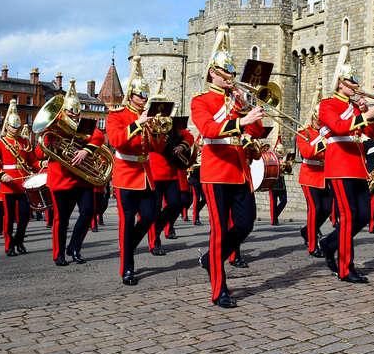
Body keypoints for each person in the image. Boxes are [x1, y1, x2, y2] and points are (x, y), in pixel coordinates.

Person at [191, 25, 264, 308]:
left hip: (239, 171)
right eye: (225, 74)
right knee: (220, 230)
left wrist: (247, 108)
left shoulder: (236, 101)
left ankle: (211, 259)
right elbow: (208, 128)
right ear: (213, 73)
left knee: (245, 224)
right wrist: (240, 122)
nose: (230, 78)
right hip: (216, 171)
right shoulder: (201, 100)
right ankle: (219, 290)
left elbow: (257, 132)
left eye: (232, 74)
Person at [318, 41, 374, 283]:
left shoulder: (355, 106)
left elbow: (373, 133)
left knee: (364, 215)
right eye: (352, 82)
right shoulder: (327, 104)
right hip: (340, 167)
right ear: (340, 83)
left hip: (358, 167)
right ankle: (346, 268)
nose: (357, 86)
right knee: (348, 216)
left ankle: (329, 243)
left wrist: (366, 114)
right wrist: (362, 115)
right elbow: (338, 127)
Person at [107, 56, 164, 286]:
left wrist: (158, 130)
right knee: (127, 221)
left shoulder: (148, 117)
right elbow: (117, 140)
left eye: (145, 96)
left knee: (149, 216)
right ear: (131, 95)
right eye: (140, 96)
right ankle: (127, 269)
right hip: (125, 175)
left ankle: (127, 246)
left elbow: (156, 148)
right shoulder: (116, 115)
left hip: (145, 175)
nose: (143, 100)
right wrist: (138, 124)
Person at [44, 79, 108, 266]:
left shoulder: (83, 125)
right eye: (70, 111)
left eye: (76, 112)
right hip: (61, 178)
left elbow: (98, 136)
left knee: (88, 212)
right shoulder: (53, 127)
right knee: (61, 219)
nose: (73, 115)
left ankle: (74, 247)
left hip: (81, 178)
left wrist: (86, 151)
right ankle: (59, 254)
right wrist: (52, 144)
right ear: (64, 111)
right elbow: (39, 150)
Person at [0, 99, 44, 256]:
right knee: (9, 217)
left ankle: (19, 240)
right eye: (13, 126)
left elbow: (32, 162)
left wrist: (42, 164)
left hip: (23, 183)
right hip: (8, 184)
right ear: (7, 126)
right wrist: (2, 175)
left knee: (25, 214)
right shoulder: (0, 143)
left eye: (18, 126)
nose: (16, 129)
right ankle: (9, 245)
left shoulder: (25, 141)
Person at [148, 108, 194, 255]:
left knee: (177, 204)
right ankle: (154, 242)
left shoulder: (172, 127)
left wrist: (182, 146)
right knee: (154, 208)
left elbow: (189, 137)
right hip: (155, 173)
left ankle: (157, 227)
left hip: (172, 174)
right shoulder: (150, 125)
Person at [296, 92, 330, 257]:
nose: (321, 124)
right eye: (319, 120)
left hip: (325, 175)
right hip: (309, 175)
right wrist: (324, 142)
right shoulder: (304, 132)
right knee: (315, 209)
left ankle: (307, 230)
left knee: (328, 208)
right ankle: (312, 244)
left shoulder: (327, 133)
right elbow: (307, 152)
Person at [268, 136, 291, 225]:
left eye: (281, 152)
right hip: (273, 183)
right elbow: (274, 166)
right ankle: (274, 220)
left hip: (281, 183)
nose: (280, 154)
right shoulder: (272, 159)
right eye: (279, 152)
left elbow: (289, 171)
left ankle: (275, 215)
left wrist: (287, 164)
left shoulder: (283, 160)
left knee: (284, 201)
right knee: (273, 203)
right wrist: (282, 162)